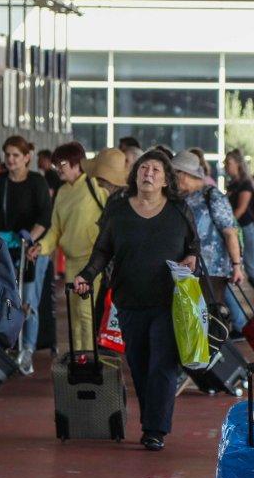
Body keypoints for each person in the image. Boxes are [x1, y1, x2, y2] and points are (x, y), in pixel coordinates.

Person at [71, 151, 200, 452]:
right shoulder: (118, 210)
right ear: (135, 175)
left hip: (170, 302)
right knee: (140, 365)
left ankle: (155, 429)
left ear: (166, 179)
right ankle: (151, 418)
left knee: (162, 365)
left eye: (156, 169)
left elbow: (194, 245)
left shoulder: (179, 210)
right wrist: (87, 276)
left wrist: (192, 257)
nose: (149, 173)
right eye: (144, 168)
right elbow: (102, 250)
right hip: (128, 299)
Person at [0, 135, 52, 376]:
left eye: (16, 155)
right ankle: (7, 342)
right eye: (8, 155)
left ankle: (28, 346)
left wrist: (30, 239)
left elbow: (45, 218)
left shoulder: (37, 182)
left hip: (32, 249)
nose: (11, 160)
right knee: (5, 297)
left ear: (27, 157)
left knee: (29, 299)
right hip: (5, 247)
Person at [41, 143, 121, 350]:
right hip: (71, 261)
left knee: (87, 312)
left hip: (93, 261)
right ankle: (80, 358)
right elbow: (56, 229)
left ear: (78, 164)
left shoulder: (95, 185)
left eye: (63, 163)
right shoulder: (62, 192)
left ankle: (91, 358)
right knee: (74, 314)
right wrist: (40, 248)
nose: (58, 168)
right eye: (56, 164)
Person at [171, 150, 246, 332]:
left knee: (210, 318)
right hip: (186, 268)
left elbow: (229, 232)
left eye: (174, 174)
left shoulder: (211, 195)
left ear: (184, 174)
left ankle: (215, 356)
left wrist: (237, 265)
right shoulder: (181, 198)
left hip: (211, 269)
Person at [223, 149, 254, 307]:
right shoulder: (234, 184)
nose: (225, 166)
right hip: (239, 229)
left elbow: (241, 209)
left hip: (247, 229)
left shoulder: (245, 185)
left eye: (228, 163)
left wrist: (225, 223)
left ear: (238, 164)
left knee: (251, 266)